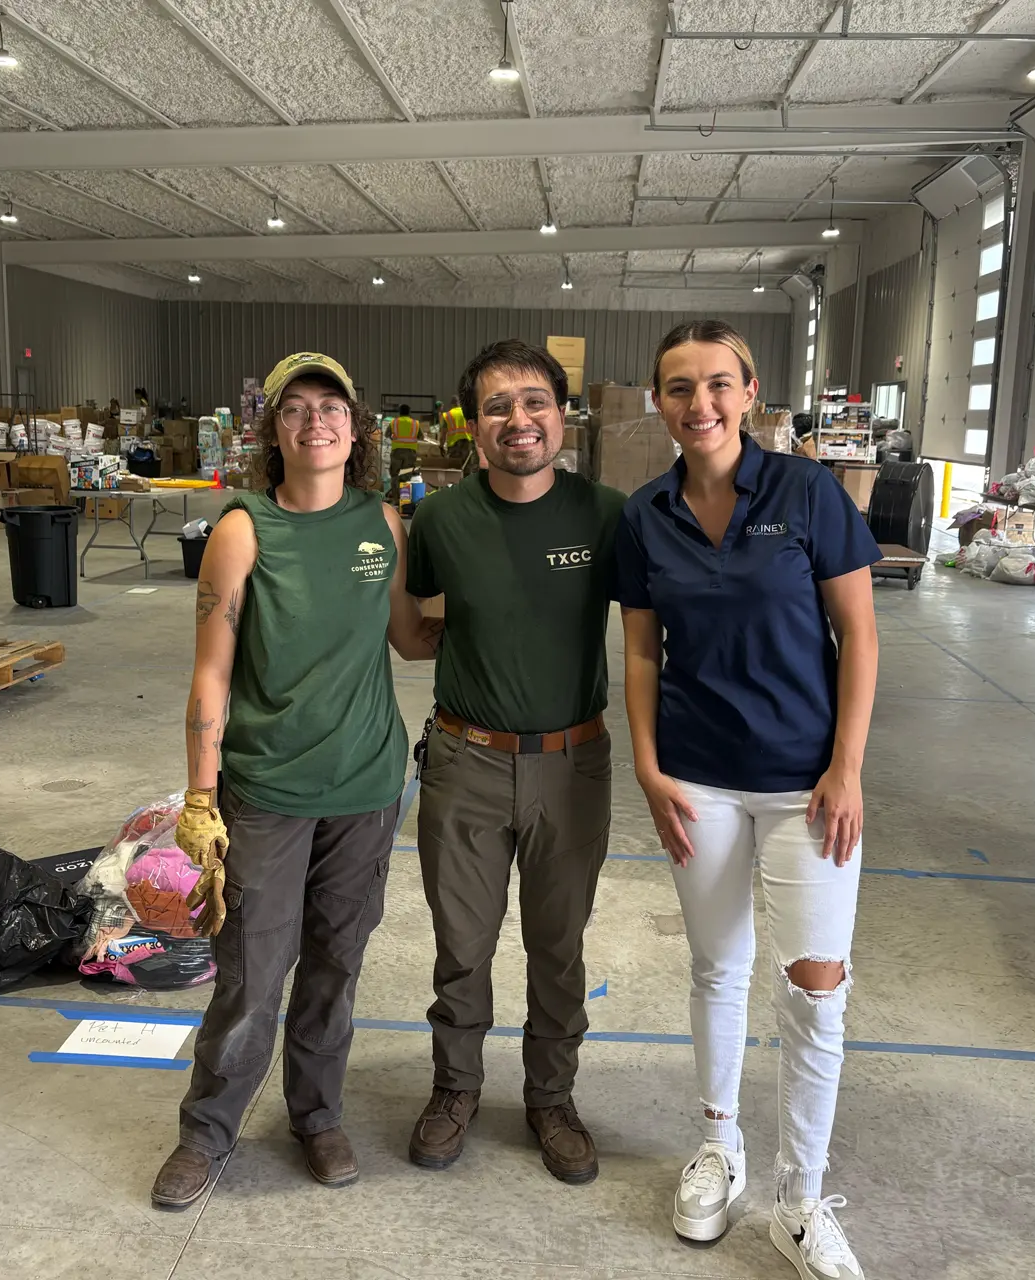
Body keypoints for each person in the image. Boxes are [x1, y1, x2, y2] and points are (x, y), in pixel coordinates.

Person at [614, 320, 879, 1279]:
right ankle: (720, 1147)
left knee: (816, 986)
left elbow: (860, 635)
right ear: (659, 401)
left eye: (718, 384)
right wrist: (648, 766)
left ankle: (800, 1198)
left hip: (807, 784)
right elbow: (641, 651)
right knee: (718, 966)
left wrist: (846, 767)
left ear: (752, 392)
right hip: (698, 780)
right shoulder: (645, 515)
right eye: (680, 387)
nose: (702, 404)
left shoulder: (807, 493)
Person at [150, 352, 441, 1210]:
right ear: (274, 431)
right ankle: (207, 1130)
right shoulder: (244, 529)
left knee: (335, 967)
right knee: (251, 971)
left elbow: (409, 638)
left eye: (332, 407)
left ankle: (316, 1116)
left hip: (367, 788)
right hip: (268, 792)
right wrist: (200, 796)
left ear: (356, 429)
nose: (316, 421)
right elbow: (212, 671)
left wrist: (504, 610)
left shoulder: (382, 523)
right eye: (297, 409)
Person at [404, 339, 625, 1184]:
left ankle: (551, 1097)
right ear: (473, 424)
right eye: (496, 406)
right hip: (467, 762)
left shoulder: (606, 516)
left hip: (573, 765)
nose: (518, 420)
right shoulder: (441, 519)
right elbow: (417, 626)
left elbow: (654, 630)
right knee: (461, 945)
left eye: (535, 401)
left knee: (557, 947)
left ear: (562, 415)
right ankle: (455, 1087)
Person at [389, 402, 420, 502]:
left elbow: (387, 434)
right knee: (406, 475)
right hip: (410, 453)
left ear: (399, 412)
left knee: (395, 475)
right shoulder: (415, 423)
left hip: (397, 452)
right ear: (409, 412)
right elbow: (421, 437)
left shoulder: (394, 422)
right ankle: (404, 500)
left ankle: (396, 500)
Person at [439, 396, 474, 471]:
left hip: (453, 446)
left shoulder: (447, 415)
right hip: (466, 444)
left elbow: (443, 434)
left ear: (452, 404)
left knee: (454, 468)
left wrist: (441, 446)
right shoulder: (466, 413)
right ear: (460, 403)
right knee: (467, 467)